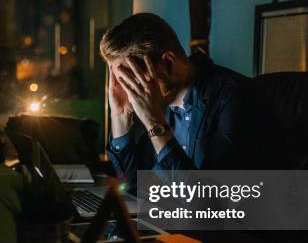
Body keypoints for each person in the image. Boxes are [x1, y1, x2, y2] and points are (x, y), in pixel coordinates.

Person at [100, 13, 248, 192]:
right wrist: (119, 117)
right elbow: (134, 188)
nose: (130, 91)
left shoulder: (233, 98)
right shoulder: (162, 102)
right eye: (120, 80)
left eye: (132, 78)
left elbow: (206, 204)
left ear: (168, 62)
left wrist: (154, 123)